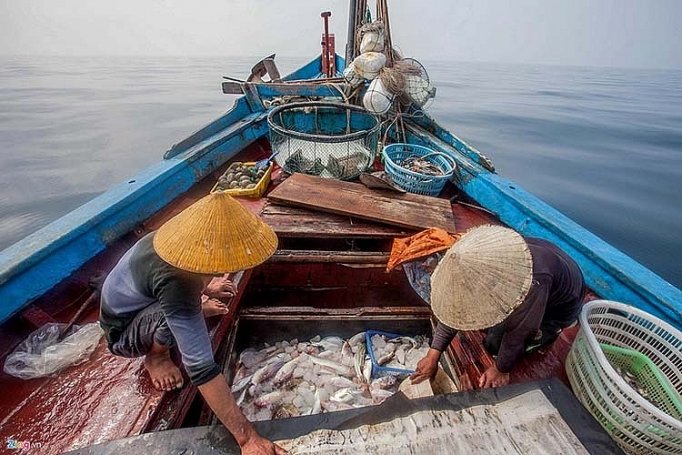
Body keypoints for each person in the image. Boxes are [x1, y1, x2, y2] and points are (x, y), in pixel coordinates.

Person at [99, 191, 286, 455]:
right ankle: (157, 357)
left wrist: (208, 288)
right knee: (176, 313)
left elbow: (193, 265)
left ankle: (193, 311)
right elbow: (200, 367)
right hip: (124, 332)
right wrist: (247, 439)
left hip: (151, 297)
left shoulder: (175, 241)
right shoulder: (176, 283)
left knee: (184, 304)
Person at [410, 224, 585, 389]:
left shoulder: (533, 280)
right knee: (491, 333)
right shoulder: (473, 259)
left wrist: (501, 369)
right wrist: (434, 352)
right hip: (544, 265)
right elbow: (456, 306)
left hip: (556, 307)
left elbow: (521, 330)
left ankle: (550, 332)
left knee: (496, 345)